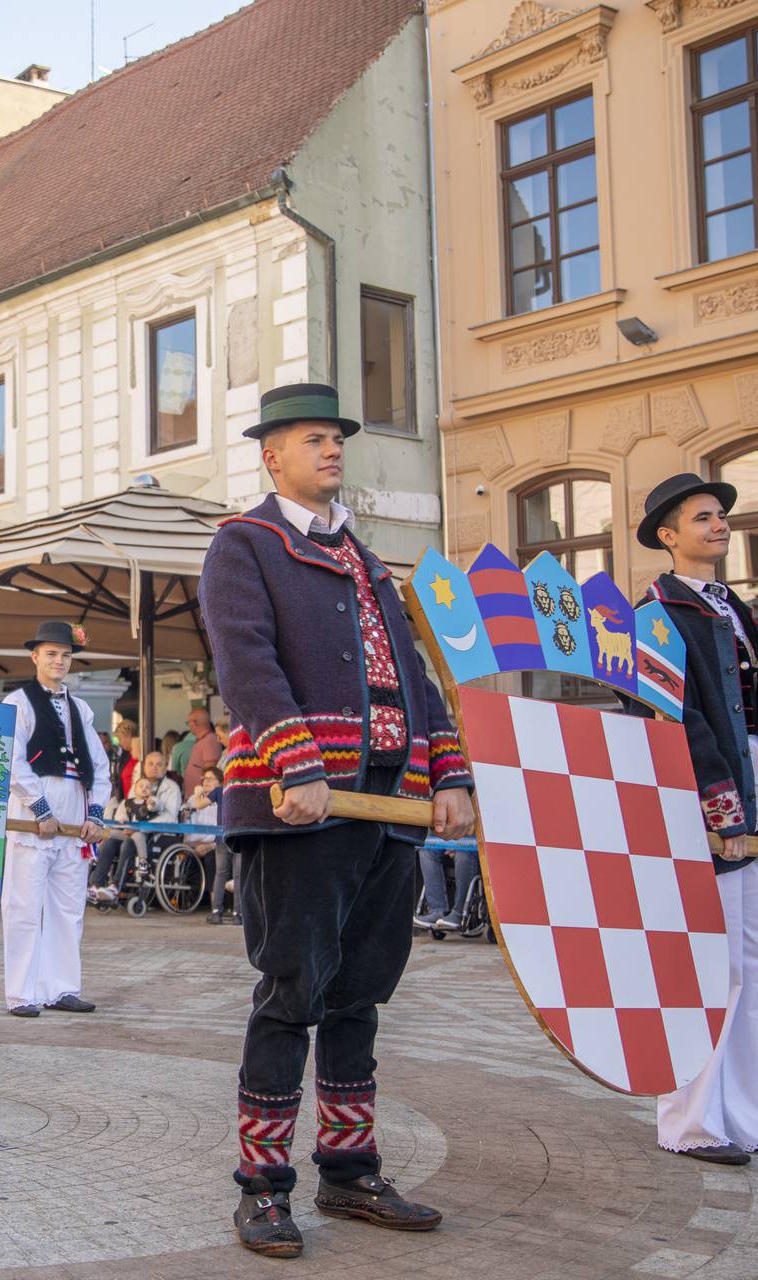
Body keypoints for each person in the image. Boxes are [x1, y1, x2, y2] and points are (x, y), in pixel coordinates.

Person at [200, 381, 475, 1255]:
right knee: (291, 994)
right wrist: (298, 763)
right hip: (300, 810)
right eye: (314, 438)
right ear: (271, 454)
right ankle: (263, 1187)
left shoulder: (365, 558)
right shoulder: (245, 544)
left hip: (387, 811)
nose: (332, 450)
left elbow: (417, 679)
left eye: (338, 439)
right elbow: (246, 662)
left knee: (361, 998)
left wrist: (451, 775)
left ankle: (350, 1172)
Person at [632, 473, 758, 1164]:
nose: (719, 525)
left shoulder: (740, 613)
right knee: (703, 966)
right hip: (699, 801)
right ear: (669, 536)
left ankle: (747, 1113)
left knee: (746, 962)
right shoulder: (653, 614)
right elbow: (670, 718)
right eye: (703, 518)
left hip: (756, 786)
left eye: (721, 517)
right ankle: (689, 1122)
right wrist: (719, 805)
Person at [2, 620, 110, 1018]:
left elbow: (99, 765)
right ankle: (21, 993)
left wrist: (96, 813)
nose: (59, 660)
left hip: (75, 820)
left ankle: (61, 987)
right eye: (51, 653)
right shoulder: (17, 703)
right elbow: (11, 763)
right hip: (35, 817)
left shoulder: (81, 708)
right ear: (35, 657)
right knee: (24, 905)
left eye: (65, 655)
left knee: (68, 908)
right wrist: (40, 808)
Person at [92, 751, 180, 903]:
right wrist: (125, 825)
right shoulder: (138, 786)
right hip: (131, 830)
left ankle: (115, 887)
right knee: (109, 842)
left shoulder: (172, 788)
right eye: (150, 764)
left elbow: (170, 817)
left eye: (159, 764)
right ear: (144, 766)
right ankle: (96, 886)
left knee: (128, 843)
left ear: (166, 768)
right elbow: (127, 809)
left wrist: (140, 828)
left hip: (157, 834)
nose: (155, 768)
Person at [184, 765, 238, 924]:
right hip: (239, 835)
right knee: (238, 874)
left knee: (221, 873)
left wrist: (197, 793)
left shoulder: (219, 791)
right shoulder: (241, 790)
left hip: (222, 837)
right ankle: (238, 914)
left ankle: (216, 912)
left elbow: (198, 804)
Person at [413, 842, 480, 934]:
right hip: (451, 842)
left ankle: (459, 913)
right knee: (427, 850)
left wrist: (456, 846)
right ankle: (437, 911)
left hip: (474, 847)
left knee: (463, 852)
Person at [182, 706, 222, 795]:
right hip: (196, 798)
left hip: (202, 799)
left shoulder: (210, 740)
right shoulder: (203, 740)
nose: (188, 726)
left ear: (195, 723)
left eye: (188, 723)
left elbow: (210, 771)